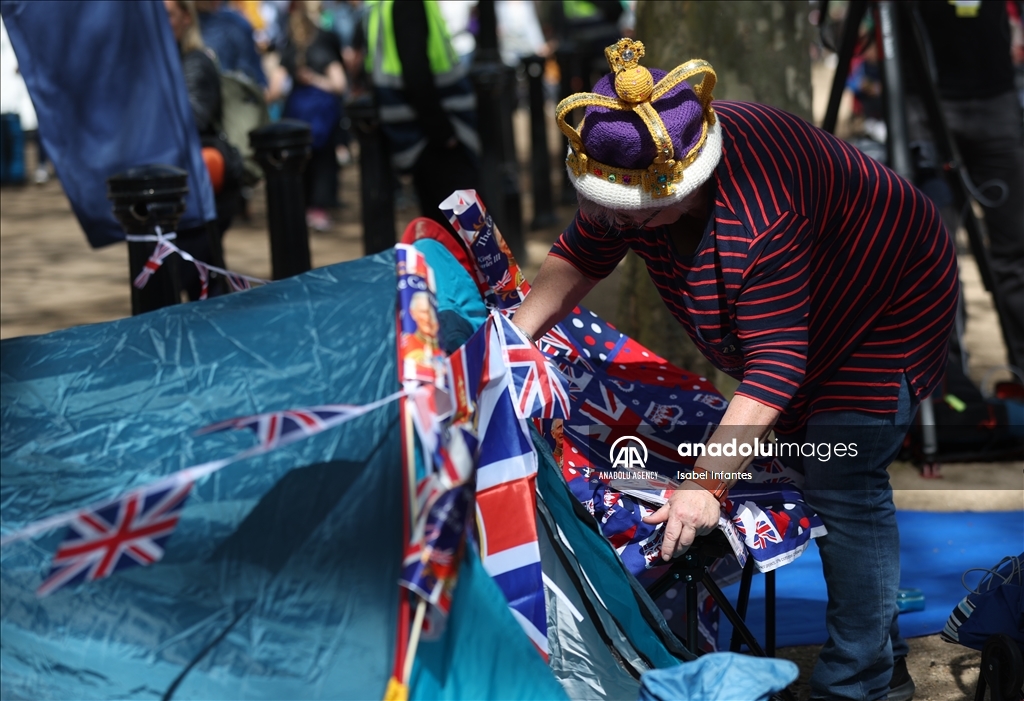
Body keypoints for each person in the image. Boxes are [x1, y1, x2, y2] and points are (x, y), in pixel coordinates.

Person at [511, 39, 958, 701]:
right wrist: (511, 340)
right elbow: (585, 249)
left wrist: (705, 484)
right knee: (816, 465)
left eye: (623, 211)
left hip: (887, 304)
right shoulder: (637, 164)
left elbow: (776, 368)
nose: (606, 217)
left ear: (678, 191)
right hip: (814, 308)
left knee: (842, 472)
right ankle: (877, 648)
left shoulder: (761, 214)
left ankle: (860, 680)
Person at [918, 0, 1024, 376]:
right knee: (936, 256)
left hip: (998, 104)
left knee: (1014, 253)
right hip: (926, 109)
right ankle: (950, 388)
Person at [362, 0, 480, 228]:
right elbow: (415, 70)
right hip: (432, 134)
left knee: (443, 228)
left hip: (416, 130)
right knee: (474, 232)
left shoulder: (381, 5)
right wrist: (443, 133)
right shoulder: (408, 4)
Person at [164, 0, 238, 299]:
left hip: (205, 183)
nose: (162, 22)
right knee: (191, 278)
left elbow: (193, 118)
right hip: (181, 185)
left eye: (168, 15)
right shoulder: (167, 61)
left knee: (201, 280)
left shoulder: (196, 61)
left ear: (185, 17)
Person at [279, 1, 346, 231]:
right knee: (323, 161)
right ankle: (318, 209)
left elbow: (276, 87)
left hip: (297, 115)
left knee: (301, 161)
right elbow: (339, 84)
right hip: (323, 117)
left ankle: (305, 208)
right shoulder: (325, 41)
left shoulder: (290, 47)